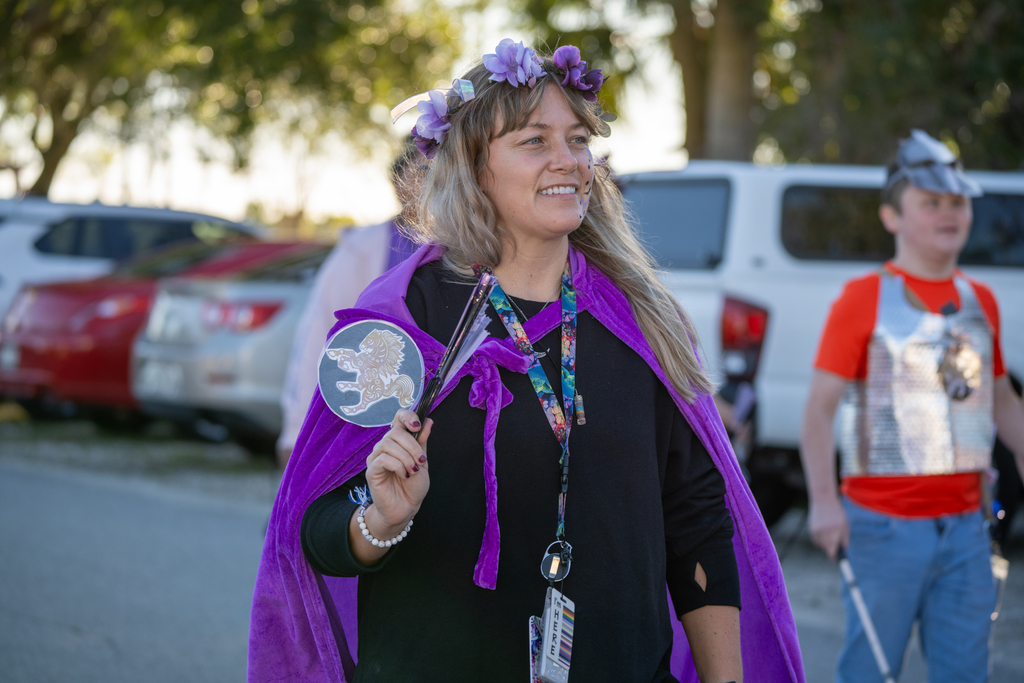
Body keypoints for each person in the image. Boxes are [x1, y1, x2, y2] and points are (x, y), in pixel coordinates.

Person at [249, 39, 804, 683]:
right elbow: (313, 529)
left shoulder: (643, 320)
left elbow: (697, 518)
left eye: (577, 140)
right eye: (535, 141)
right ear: (474, 167)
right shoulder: (405, 318)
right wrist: (380, 520)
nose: (568, 160)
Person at [800, 129, 1024, 683]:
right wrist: (825, 505)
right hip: (882, 528)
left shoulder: (982, 301)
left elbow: (1003, 402)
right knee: (872, 671)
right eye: (931, 204)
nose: (949, 214)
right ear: (892, 217)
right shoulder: (862, 300)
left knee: (967, 673)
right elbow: (817, 413)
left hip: (967, 529)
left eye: (957, 202)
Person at [275, 150, 419, 466]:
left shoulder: (480, 248)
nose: (431, 181)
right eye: (421, 169)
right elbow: (319, 337)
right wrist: (295, 431)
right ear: (400, 182)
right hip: (363, 436)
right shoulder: (363, 249)